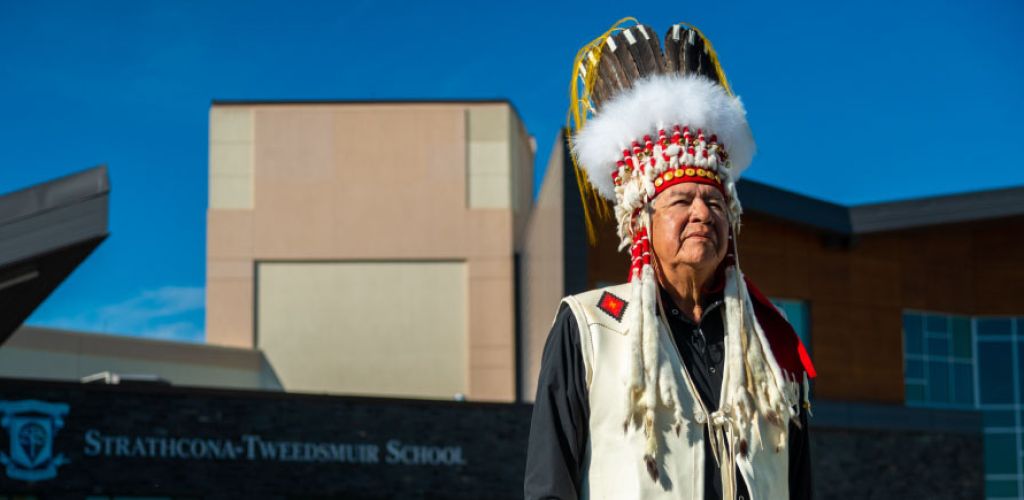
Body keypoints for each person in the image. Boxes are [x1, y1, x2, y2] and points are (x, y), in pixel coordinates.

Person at [525, 19, 816, 500]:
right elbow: (548, 485)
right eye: (681, 201)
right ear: (642, 220)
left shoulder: (771, 338)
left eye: (716, 202)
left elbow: (799, 484)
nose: (703, 213)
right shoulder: (590, 328)